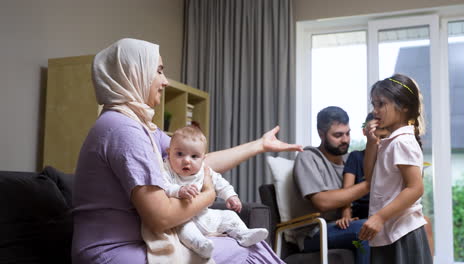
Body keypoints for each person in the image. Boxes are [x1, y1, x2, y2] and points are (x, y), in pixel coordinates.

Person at [71, 38, 303, 264]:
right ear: (135, 73)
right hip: (110, 252)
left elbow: (195, 162)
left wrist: (259, 145)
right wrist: (208, 195)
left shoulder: (137, 126)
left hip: (131, 243)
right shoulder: (123, 129)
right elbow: (161, 218)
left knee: (242, 244)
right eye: (159, 71)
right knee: (247, 248)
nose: (165, 81)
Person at [142, 125, 268, 260]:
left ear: (203, 158)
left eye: (194, 156)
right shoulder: (167, 170)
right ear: (169, 152)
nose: (186, 160)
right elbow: (163, 186)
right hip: (183, 218)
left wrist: (230, 196)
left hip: (206, 215)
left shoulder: (204, 170)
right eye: (179, 154)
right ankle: (200, 245)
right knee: (185, 230)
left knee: (229, 215)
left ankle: (243, 234)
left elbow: (220, 183)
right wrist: (178, 190)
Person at [358, 74, 432, 263]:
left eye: (381, 104)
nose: (375, 111)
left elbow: (415, 188)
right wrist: (371, 143)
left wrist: (379, 217)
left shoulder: (402, 142)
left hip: (402, 232)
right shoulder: (389, 143)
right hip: (389, 231)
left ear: (404, 106)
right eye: (373, 104)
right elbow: (370, 178)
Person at [293, 106, 370, 264]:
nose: (345, 140)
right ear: (321, 134)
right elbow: (322, 202)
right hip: (315, 232)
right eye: (338, 135)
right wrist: (368, 185)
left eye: (348, 133)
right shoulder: (307, 158)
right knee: (365, 230)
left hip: (347, 225)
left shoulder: (351, 160)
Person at [336, 113, 390, 229]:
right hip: (361, 213)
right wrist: (346, 215)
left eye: (383, 136)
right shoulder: (355, 157)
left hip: (386, 211)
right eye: (376, 137)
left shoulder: (390, 158)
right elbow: (347, 191)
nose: (379, 141)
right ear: (365, 132)